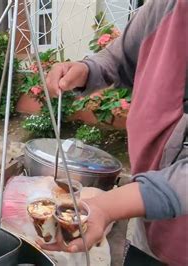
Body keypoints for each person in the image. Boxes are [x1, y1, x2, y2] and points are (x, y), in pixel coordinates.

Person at [39, 0, 187, 265]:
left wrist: (106, 208)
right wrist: (85, 70)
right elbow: (119, 57)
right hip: (148, 221)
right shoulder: (165, 7)